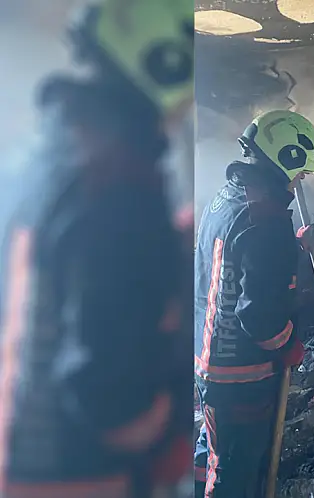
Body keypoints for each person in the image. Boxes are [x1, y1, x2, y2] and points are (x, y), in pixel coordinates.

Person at [0, 1, 195, 497]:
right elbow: (114, 404)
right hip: (85, 476)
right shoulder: (120, 186)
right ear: (166, 62)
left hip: (24, 459)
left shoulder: (42, 161)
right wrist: (166, 423)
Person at [193, 110, 314, 497]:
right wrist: (289, 346)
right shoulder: (268, 224)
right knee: (236, 465)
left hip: (208, 356)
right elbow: (258, 316)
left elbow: (234, 263)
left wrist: (293, 249)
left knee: (214, 449)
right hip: (240, 373)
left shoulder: (227, 200)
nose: (300, 183)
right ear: (286, 160)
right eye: (301, 174)